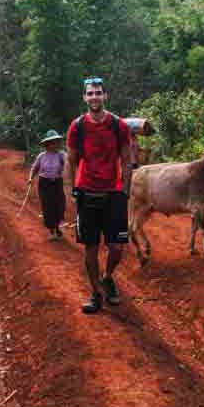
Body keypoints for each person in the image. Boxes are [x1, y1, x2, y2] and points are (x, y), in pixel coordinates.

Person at [66, 76, 133, 314]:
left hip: (114, 193)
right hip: (87, 192)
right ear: (84, 97)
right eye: (90, 93)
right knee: (90, 247)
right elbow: (71, 161)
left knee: (116, 248)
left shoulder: (118, 125)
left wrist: (125, 190)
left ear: (105, 96)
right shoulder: (78, 126)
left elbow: (127, 159)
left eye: (98, 93)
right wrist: (71, 191)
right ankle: (96, 293)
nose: (94, 97)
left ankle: (107, 277)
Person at [27, 130, 68, 239]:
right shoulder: (42, 156)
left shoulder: (61, 155)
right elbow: (35, 167)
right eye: (51, 142)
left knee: (59, 205)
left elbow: (68, 163)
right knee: (47, 206)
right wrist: (30, 178)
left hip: (57, 183)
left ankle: (57, 227)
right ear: (47, 144)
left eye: (56, 142)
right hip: (44, 183)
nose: (54, 145)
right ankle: (51, 230)